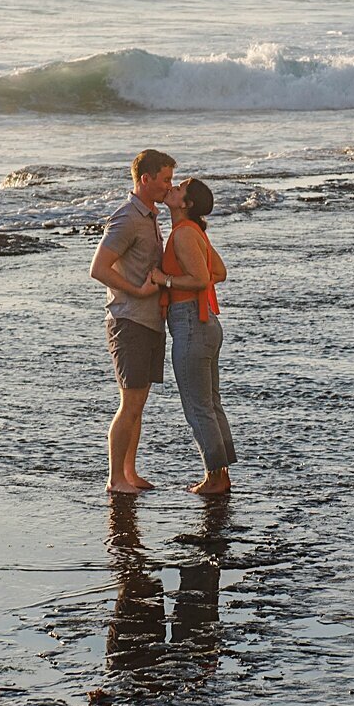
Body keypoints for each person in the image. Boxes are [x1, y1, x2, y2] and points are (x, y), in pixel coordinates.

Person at [89, 148, 175, 494]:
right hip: (129, 321)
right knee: (130, 404)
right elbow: (98, 269)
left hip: (149, 322)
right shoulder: (126, 217)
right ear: (146, 179)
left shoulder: (151, 216)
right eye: (165, 180)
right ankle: (115, 479)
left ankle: (130, 472)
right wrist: (138, 293)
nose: (170, 187)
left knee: (139, 404)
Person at [153, 177, 235, 496]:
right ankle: (220, 472)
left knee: (198, 406)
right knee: (210, 403)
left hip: (191, 323)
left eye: (179, 189)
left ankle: (215, 478)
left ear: (185, 204)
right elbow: (219, 272)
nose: (172, 188)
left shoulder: (184, 233)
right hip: (205, 323)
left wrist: (166, 280)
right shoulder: (194, 232)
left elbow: (202, 278)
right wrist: (189, 278)